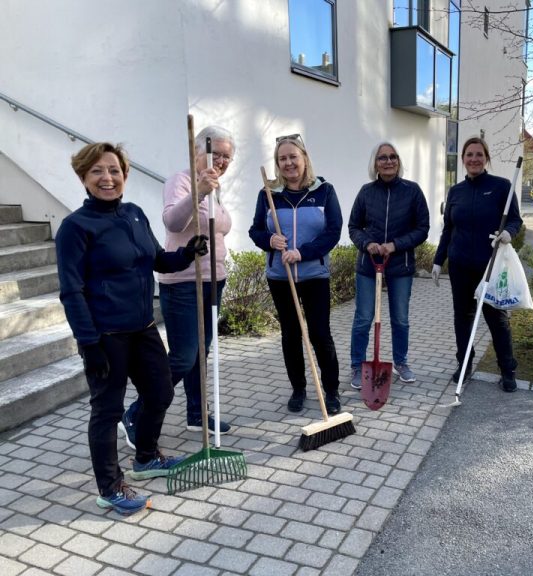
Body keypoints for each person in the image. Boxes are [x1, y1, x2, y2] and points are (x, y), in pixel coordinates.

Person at [56, 142, 206, 515]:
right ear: (83, 177)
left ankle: (145, 457)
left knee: (159, 392)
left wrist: (186, 254)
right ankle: (110, 487)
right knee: (106, 411)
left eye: (114, 170)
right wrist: (88, 344)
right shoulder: (75, 227)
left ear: (125, 175)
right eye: (97, 171)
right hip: (106, 335)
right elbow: (71, 291)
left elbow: (158, 260)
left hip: (142, 327)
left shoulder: (136, 214)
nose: (107, 178)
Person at [120, 126, 235, 449]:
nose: (222, 160)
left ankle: (197, 414)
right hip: (185, 282)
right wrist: (199, 191)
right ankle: (136, 413)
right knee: (184, 357)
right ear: (197, 152)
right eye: (217, 153)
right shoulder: (182, 181)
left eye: (228, 155)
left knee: (202, 353)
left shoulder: (216, 186)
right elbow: (172, 222)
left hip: (215, 281)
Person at [249, 135, 343, 414]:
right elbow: (255, 230)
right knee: (290, 334)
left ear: (304, 158)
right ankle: (299, 389)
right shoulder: (268, 193)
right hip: (280, 276)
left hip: (314, 274)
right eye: (282, 158)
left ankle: (332, 390)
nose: (288, 163)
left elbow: (333, 231)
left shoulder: (324, 190)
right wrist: (270, 241)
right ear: (277, 163)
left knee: (319, 333)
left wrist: (303, 252)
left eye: (293, 156)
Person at [432, 136, 523, 392]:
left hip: (489, 266)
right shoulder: (456, 191)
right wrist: (439, 261)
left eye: (479, 155)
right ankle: (464, 364)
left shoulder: (501, 187)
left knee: (497, 318)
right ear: (463, 160)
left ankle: (507, 368)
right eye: (469, 155)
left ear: (486, 158)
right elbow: (448, 229)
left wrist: (508, 233)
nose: (474, 159)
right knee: (463, 318)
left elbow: (515, 220)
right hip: (460, 266)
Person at [348, 142, 430, 389]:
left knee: (400, 319)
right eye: (383, 158)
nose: (388, 161)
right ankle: (357, 365)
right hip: (368, 266)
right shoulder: (366, 192)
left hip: (400, 267)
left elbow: (422, 229)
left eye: (393, 157)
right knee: (363, 318)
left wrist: (396, 245)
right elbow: (354, 227)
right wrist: (368, 243)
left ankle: (401, 362)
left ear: (398, 161)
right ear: (375, 163)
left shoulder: (412, 191)